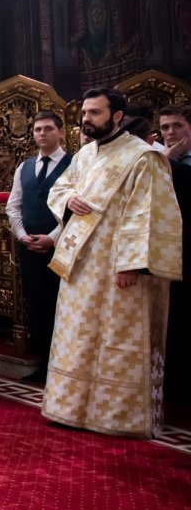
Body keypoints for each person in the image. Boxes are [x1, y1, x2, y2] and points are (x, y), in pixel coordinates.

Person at [43, 89, 182, 438]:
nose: (86, 119)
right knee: (79, 335)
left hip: (118, 266)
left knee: (116, 337)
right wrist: (69, 199)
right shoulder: (86, 154)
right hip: (81, 263)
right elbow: (59, 189)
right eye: (85, 112)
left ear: (117, 116)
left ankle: (117, 415)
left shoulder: (143, 158)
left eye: (95, 112)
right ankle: (70, 408)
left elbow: (148, 215)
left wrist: (132, 265)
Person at [4, 111, 70, 384]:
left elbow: (77, 212)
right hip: (29, 248)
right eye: (37, 129)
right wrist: (21, 235)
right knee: (38, 306)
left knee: (61, 306)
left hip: (63, 247)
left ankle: (64, 368)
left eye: (48, 129)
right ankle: (43, 364)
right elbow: (13, 205)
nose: (42, 134)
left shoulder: (74, 164)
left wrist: (53, 237)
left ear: (61, 132)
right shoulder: (25, 167)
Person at [158, 104, 191, 408]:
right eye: (165, 127)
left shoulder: (166, 162)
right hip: (170, 249)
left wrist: (167, 163)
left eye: (177, 126)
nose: (170, 133)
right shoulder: (158, 159)